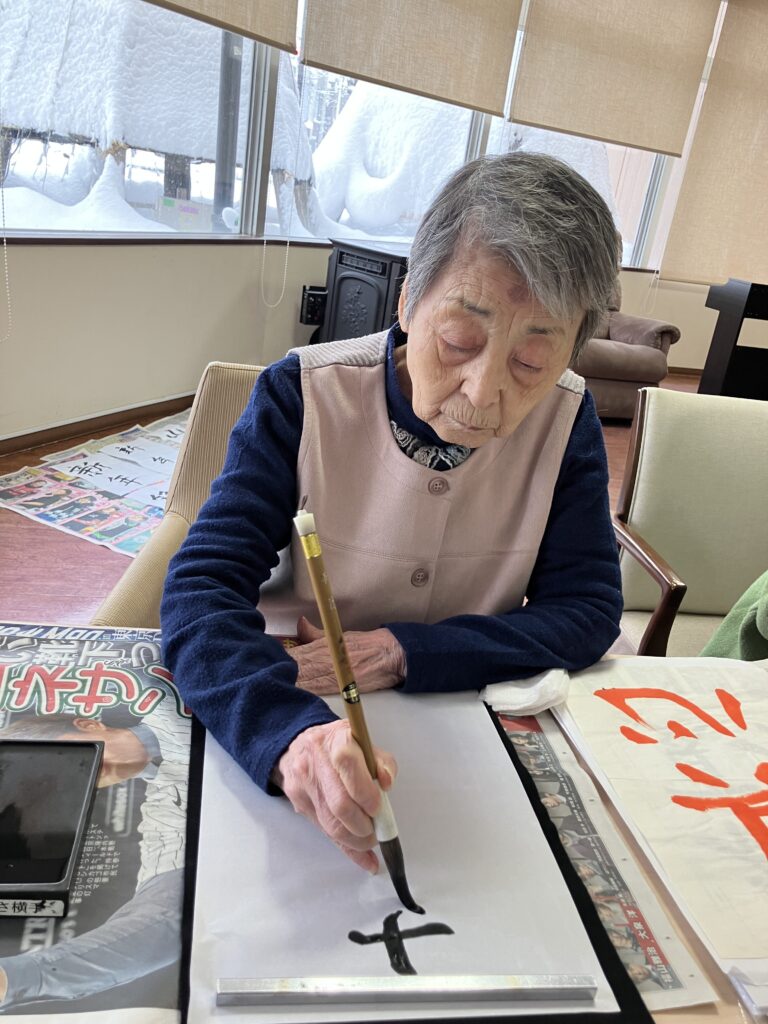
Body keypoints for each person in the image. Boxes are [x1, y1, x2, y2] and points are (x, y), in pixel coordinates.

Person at [161, 152, 623, 876]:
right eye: (460, 341)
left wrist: (400, 650)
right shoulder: (302, 395)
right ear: (407, 302)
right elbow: (201, 589)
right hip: (297, 697)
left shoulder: (568, 421)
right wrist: (290, 737)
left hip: (469, 740)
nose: (482, 391)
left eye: (531, 363)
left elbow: (588, 610)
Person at [0, 702, 188, 1009]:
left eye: (61, 760)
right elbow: (163, 918)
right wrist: (16, 978)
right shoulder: (161, 810)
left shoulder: (175, 710)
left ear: (89, 725)